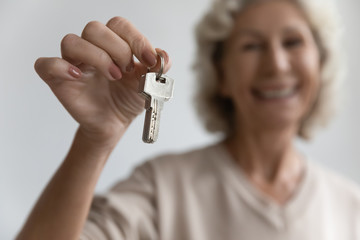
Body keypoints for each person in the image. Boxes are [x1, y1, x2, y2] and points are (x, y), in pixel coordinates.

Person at [17, 0, 360, 239]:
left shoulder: (351, 207)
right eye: (252, 46)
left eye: (293, 42)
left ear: (321, 63)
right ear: (221, 73)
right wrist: (96, 139)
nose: (277, 64)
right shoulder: (161, 190)